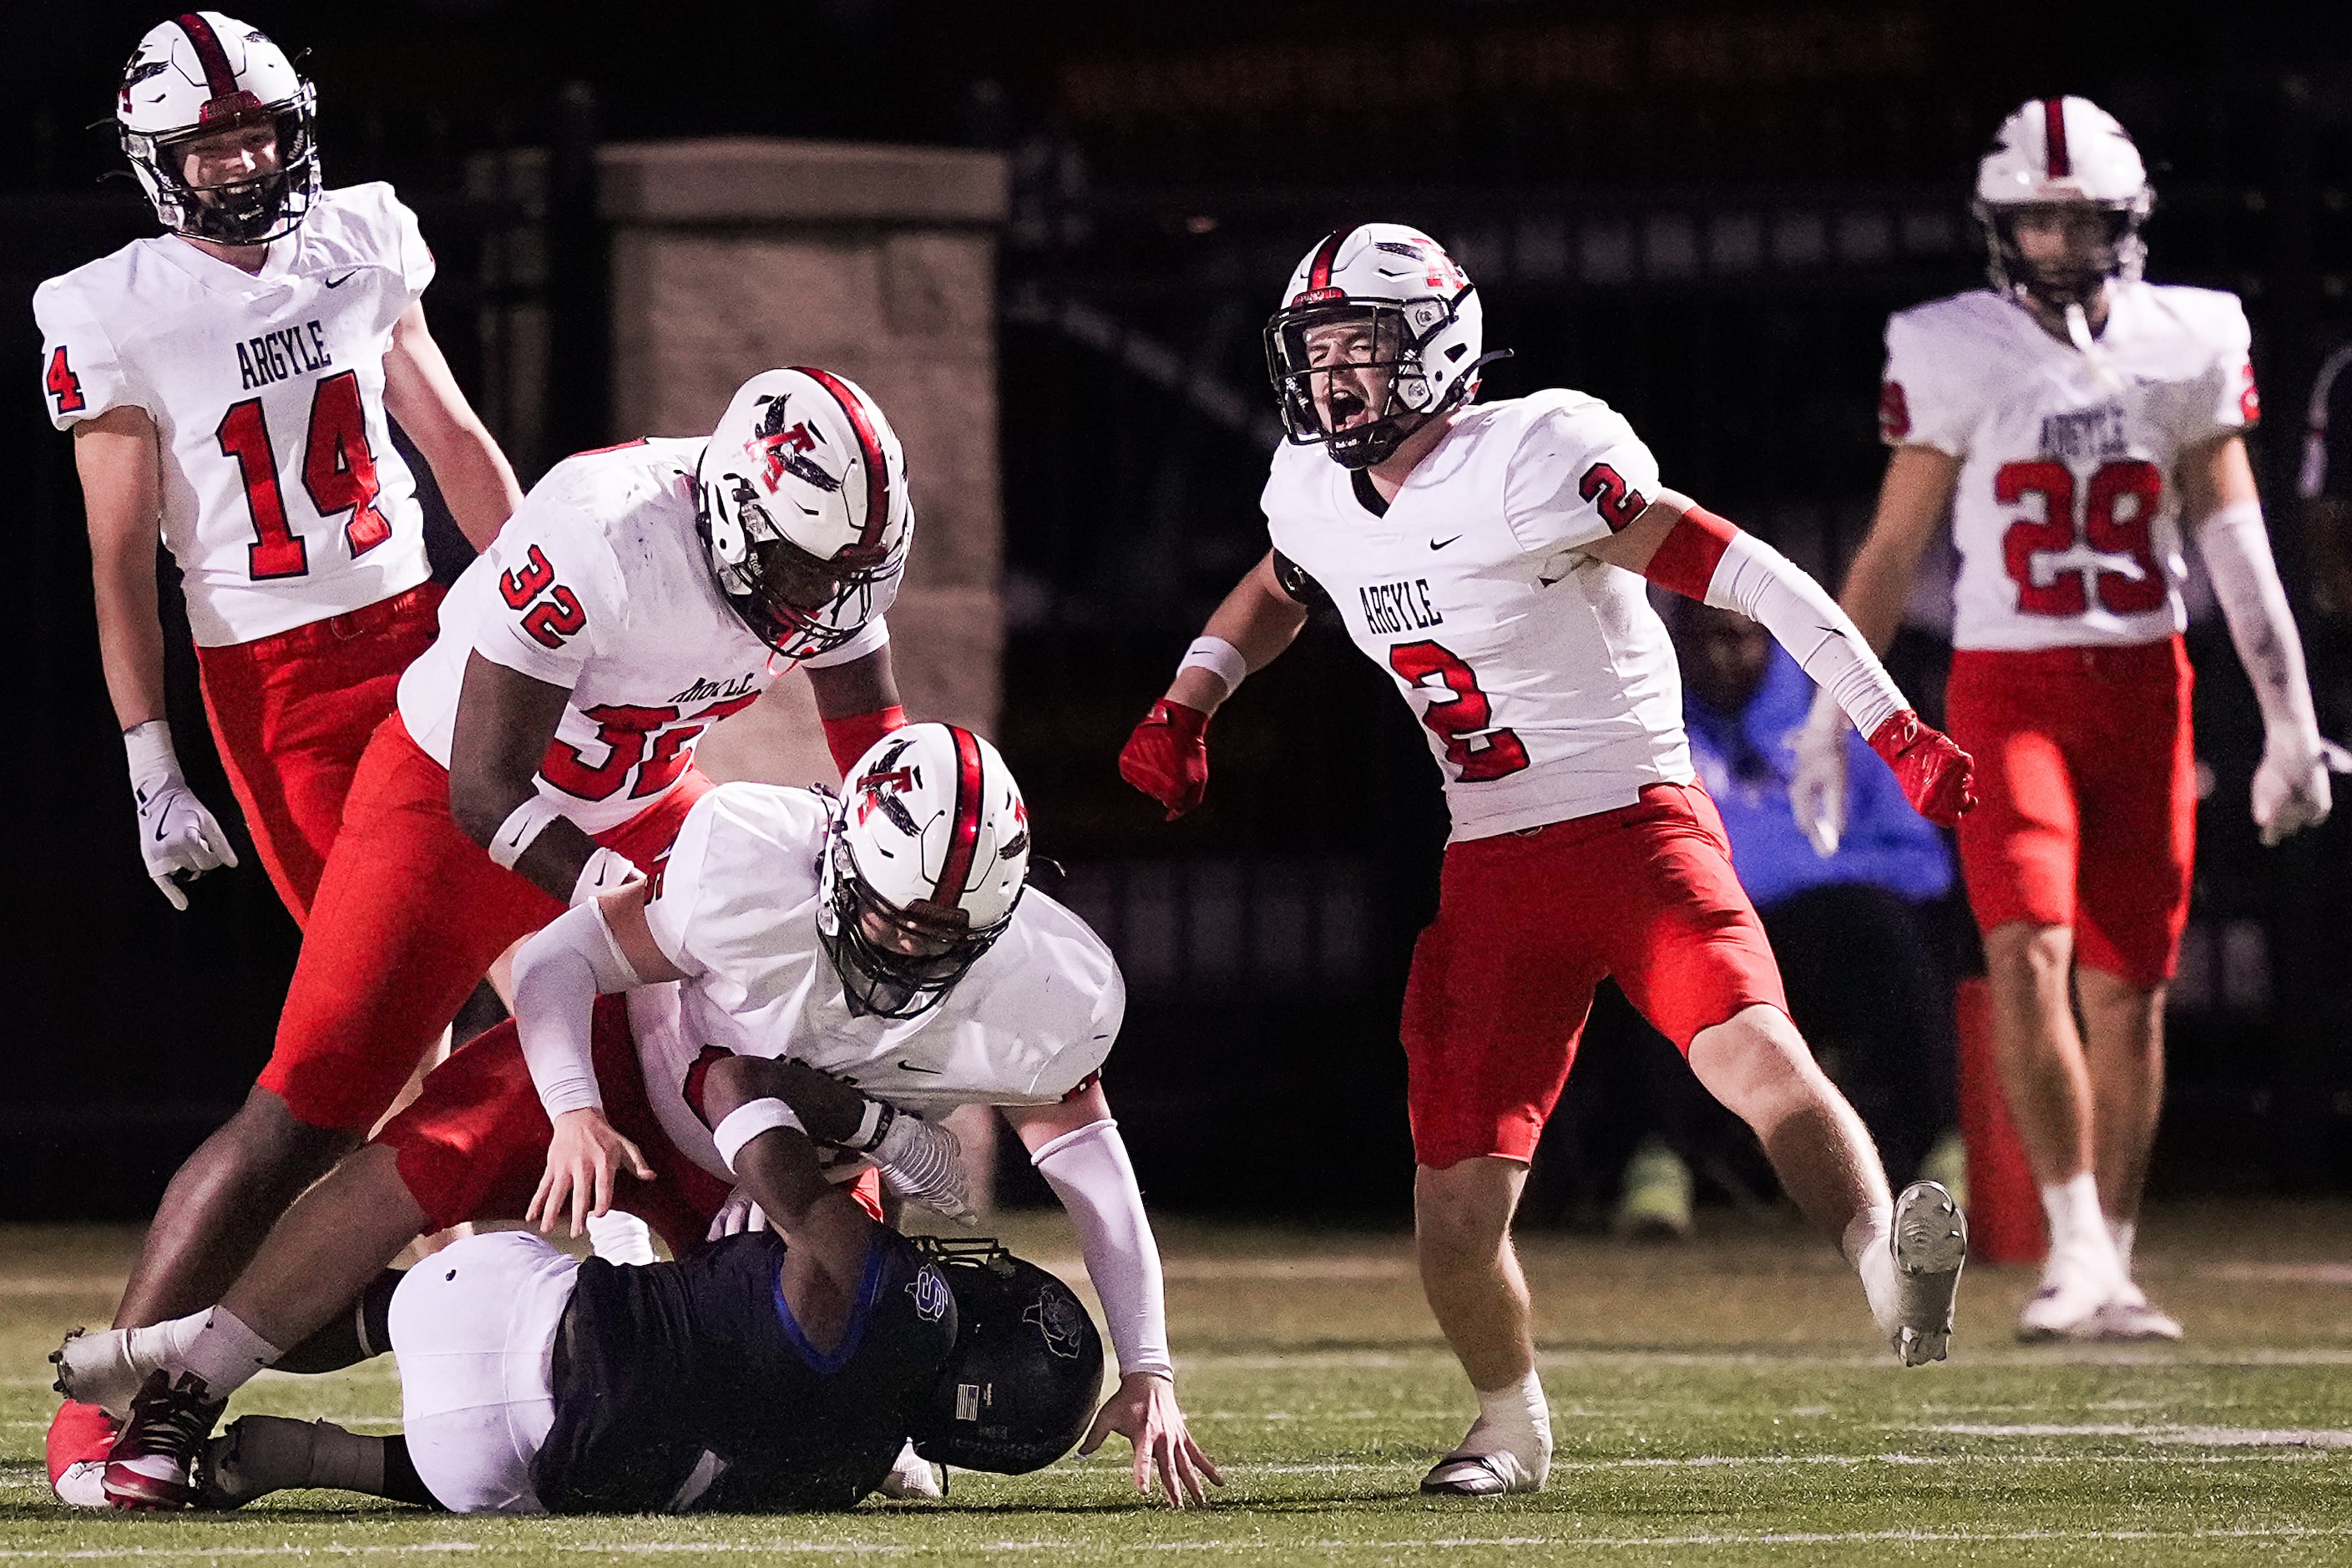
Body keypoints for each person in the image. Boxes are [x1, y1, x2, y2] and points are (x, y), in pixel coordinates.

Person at [1116, 223, 1973, 1498]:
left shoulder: (1533, 458)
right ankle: (1506, 1427)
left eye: (1365, 345)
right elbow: (1282, 585)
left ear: (1440, 348)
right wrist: (1191, 697)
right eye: (1319, 348)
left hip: (1634, 829)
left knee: (1752, 1050)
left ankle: (1882, 1262)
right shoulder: (1308, 486)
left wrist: (1886, 719)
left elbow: (1750, 576)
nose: (1337, 375)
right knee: (1453, 1211)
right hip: (1488, 863)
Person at [73, 365, 918, 1504]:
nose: (821, 599)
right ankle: (111, 1411)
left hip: (642, 801)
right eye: (802, 568)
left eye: (844, 574)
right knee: (306, 1109)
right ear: (735, 511)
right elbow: (487, 788)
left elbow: (882, 763)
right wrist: (634, 901)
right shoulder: (601, 527)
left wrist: (919, 878)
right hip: (450, 811)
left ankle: (800, 1378)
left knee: (792, 1015)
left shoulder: (824, 557)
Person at [59, 725, 1222, 1510]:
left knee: (818, 1330)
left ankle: (877, 1425)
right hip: (643, 1062)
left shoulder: (1045, 992)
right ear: (839, 861)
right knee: (434, 1150)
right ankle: (190, 1381)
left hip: (776, 1155)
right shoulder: (751, 862)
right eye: (893, 915)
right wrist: (570, 1109)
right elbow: (565, 958)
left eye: (942, 933)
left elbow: (1091, 1164)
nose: (911, 946)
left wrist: (1152, 1364)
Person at [35, 12, 524, 1504]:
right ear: (157, 163)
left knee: (574, 976)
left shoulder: (365, 238)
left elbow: (450, 440)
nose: (244, 163)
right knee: (358, 1059)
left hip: (433, 642)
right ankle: (120, 1403)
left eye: (258, 133)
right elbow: (122, 562)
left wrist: (535, 618)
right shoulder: (110, 307)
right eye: (212, 144)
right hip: (285, 688)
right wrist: (147, 761)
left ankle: (475, 1324)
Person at [1791, 98, 2345, 1343]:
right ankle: (2070, 1237)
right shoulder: (1950, 345)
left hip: (2145, 684)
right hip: (2005, 684)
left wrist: (2289, 719)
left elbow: (2236, 541)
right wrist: (1832, 711)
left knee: (2130, 985)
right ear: (1999, 225)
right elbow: (1891, 545)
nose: (2051, 241)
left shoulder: (2188, 333)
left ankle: (2112, 1256)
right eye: (2031, 218)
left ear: (2123, 220)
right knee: (2026, 946)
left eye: (2075, 217)